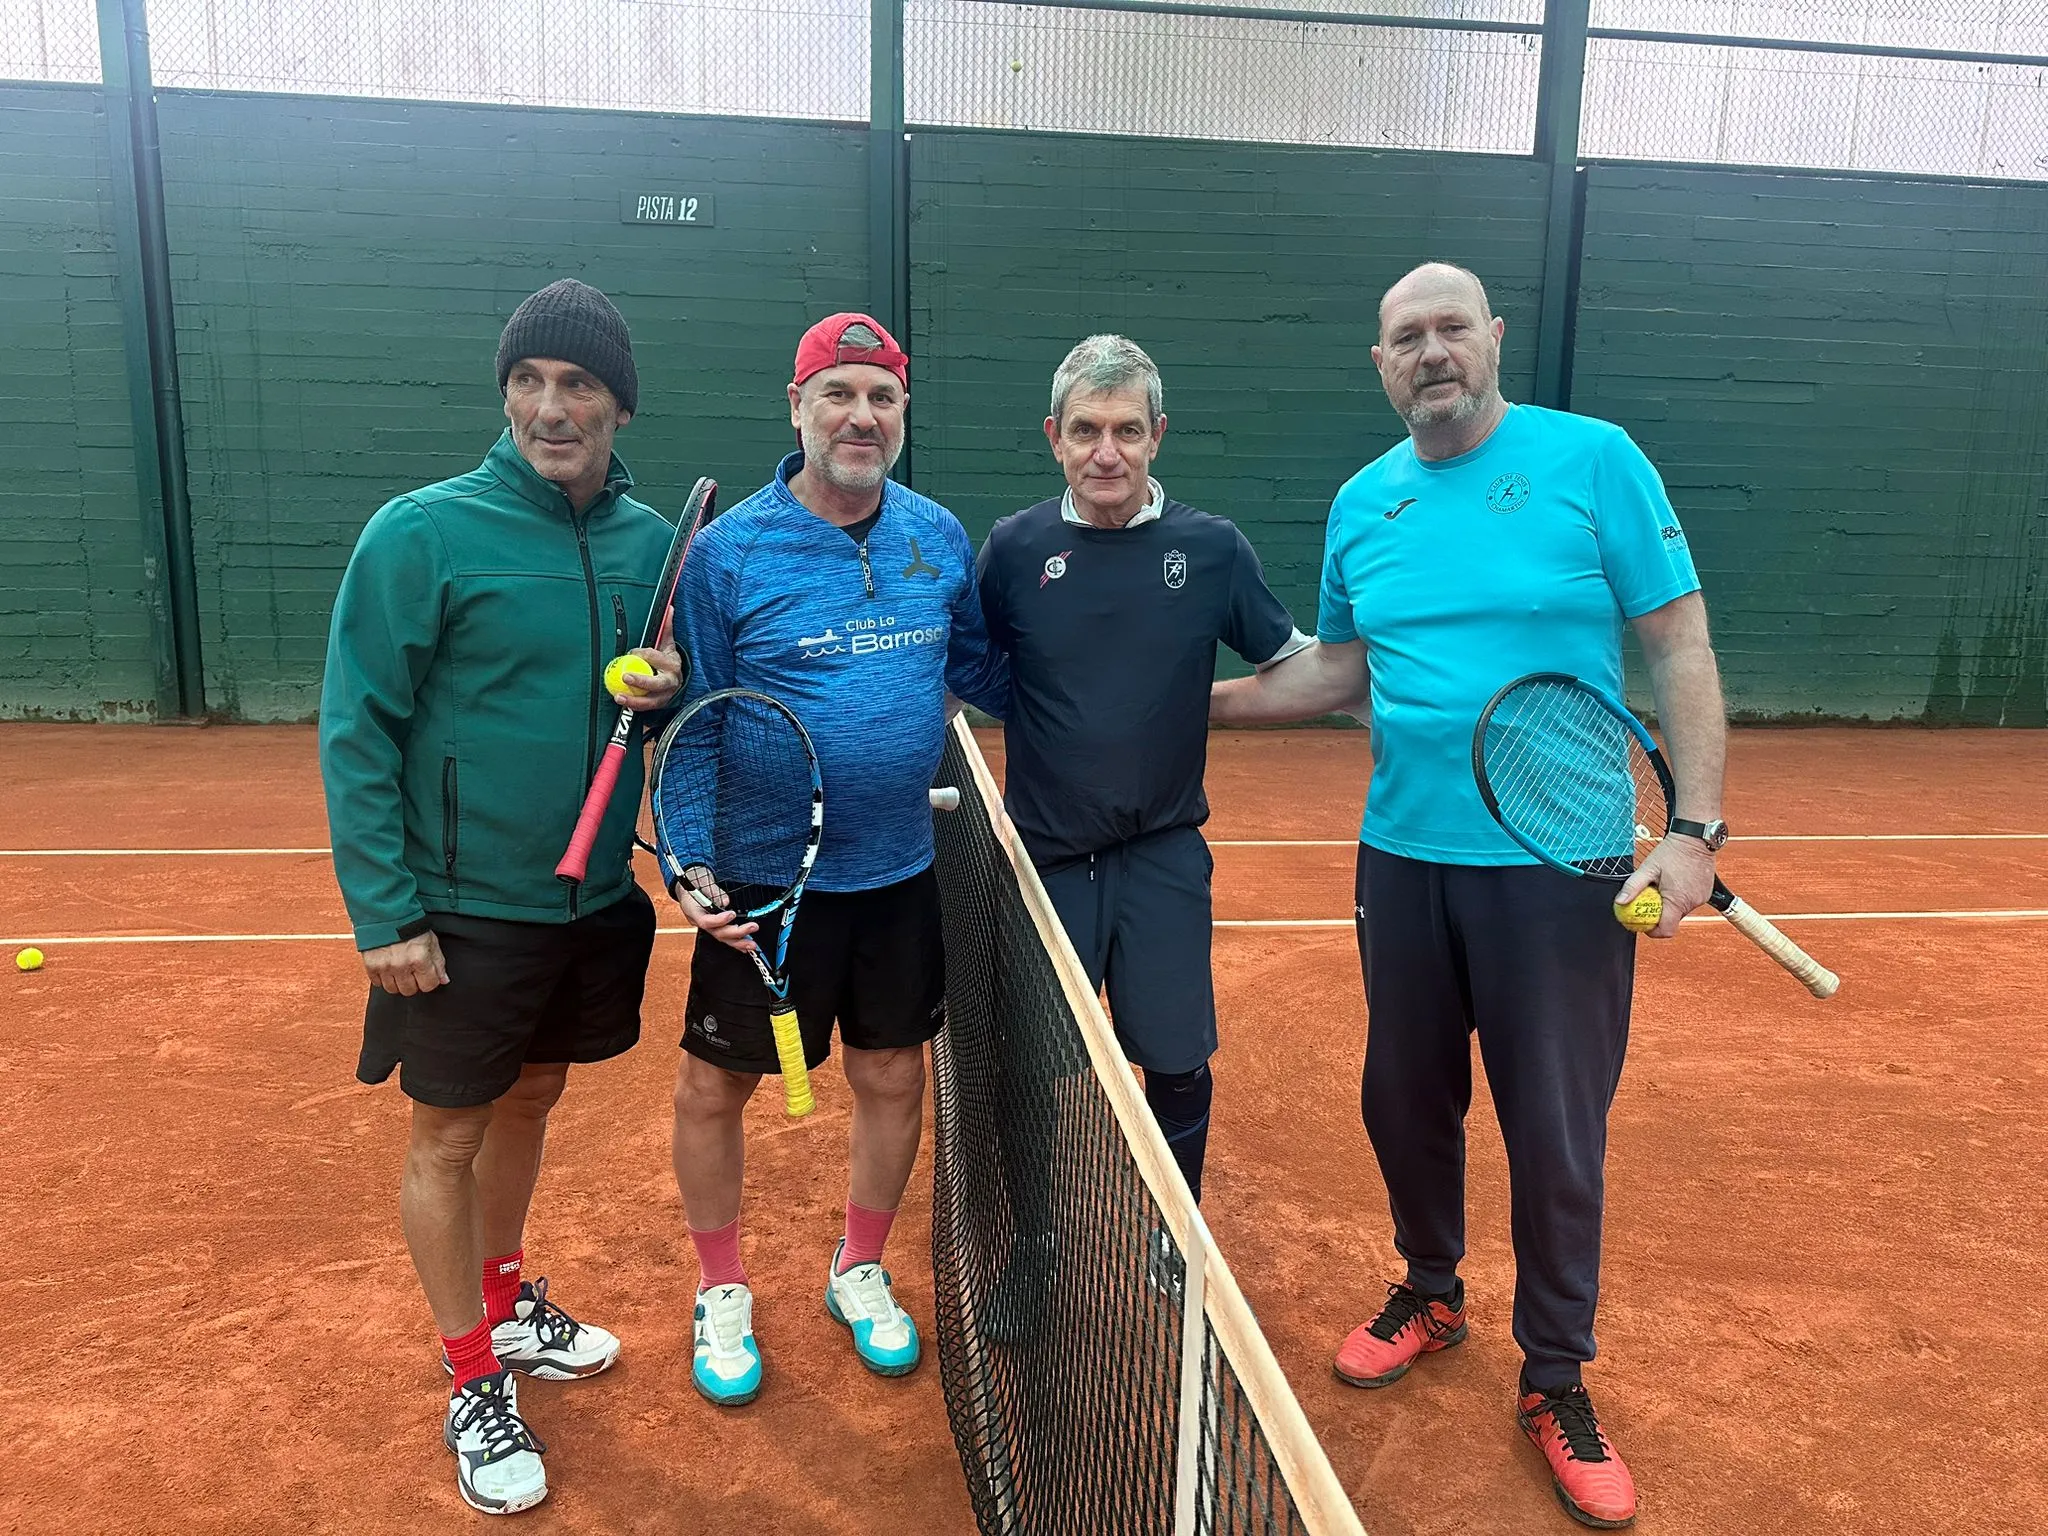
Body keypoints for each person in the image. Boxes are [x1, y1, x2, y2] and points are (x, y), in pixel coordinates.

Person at [1211, 263, 1726, 1530]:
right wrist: (1167, 705)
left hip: (1566, 870)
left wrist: (1696, 833)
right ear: (1378, 363)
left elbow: (1678, 643)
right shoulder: (1361, 503)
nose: (1429, 352)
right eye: (1404, 338)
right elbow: (1333, 672)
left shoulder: (1594, 459)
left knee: (1554, 1134)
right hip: (1403, 859)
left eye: (1450, 329)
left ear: (1492, 339)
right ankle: (1430, 1288)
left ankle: (1553, 1377)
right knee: (1404, 1095)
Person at [320, 279, 683, 1516]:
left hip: (590, 905)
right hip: (461, 907)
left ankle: (504, 1290)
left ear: (619, 405)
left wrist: (666, 689)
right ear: (504, 396)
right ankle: (472, 1369)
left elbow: (649, 703)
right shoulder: (421, 532)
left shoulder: (650, 548)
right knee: (449, 1133)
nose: (550, 405)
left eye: (577, 383)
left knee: (533, 1098)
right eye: (528, 381)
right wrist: (384, 912)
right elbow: (356, 727)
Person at [667, 313, 1008, 1406]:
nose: (861, 416)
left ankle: (857, 1265)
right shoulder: (731, 554)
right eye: (840, 394)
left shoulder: (937, 535)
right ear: (798, 406)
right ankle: (720, 1287)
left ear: (901, 413)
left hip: (899, 868)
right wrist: (688, 858)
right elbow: (697, 720)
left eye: (882, 398)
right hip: (764, 880)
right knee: (715, 1085)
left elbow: (982, 675)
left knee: (889, 1074)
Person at [975, 334, 1308, 1204]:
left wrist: (1402, 692)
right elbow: (954, 677)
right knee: (1033, 1072)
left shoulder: (1213, 550)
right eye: (1086, 430)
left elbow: (1294, 663)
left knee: (1177, 1063)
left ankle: (1175, 1230)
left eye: (1127, 430)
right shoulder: (1013, 551)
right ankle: (1031, 1244)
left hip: (1163, 856)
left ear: (1158, 433)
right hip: (1045, 863)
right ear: (1054, 435)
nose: (1106, 452)